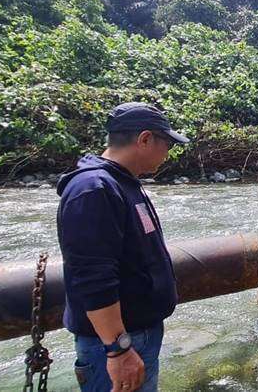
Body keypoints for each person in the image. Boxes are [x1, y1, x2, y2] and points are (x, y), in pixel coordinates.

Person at [57, 102, 189, 392]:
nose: (168, 153)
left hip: (138, 335)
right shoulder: (94, 189)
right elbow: (92, 277)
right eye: (166, 143)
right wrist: (118, 349)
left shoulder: (124, 184)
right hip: (116, 346)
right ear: (144, 139)